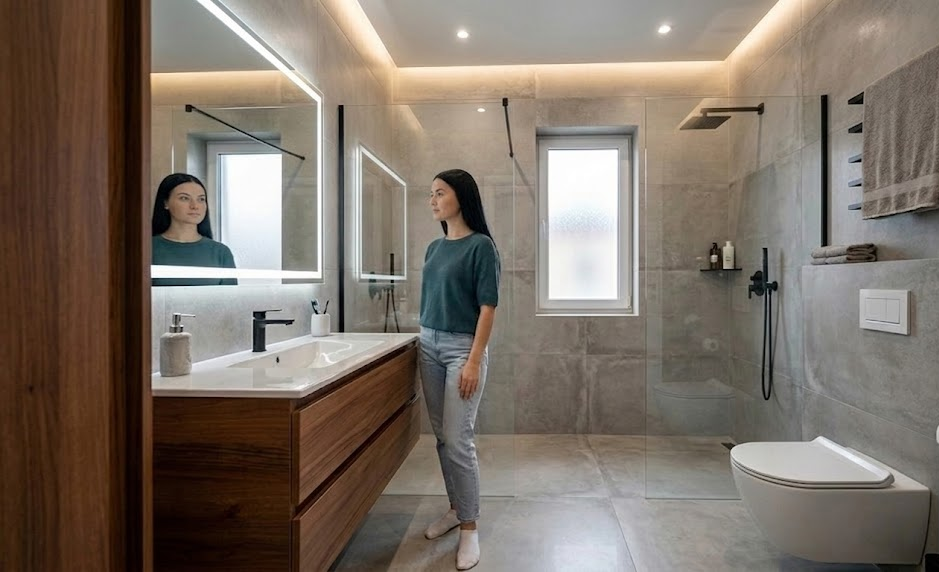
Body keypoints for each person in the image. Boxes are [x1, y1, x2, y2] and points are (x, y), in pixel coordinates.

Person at [419, 169, 499, 571]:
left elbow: (488, 308)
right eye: (430, 194)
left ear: (461, 197)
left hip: (461, 349)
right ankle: (455, 509)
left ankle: (469, 527)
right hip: (428, 344)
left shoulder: (481, 247)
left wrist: (472, 360)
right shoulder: (434, 249)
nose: (432, 200)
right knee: (441, 437)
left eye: (439, 193)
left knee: (458, 438)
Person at [150, 173, 237, 286]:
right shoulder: (148, 249)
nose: (195, 206)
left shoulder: (220, 252)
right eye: (184, 198)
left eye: (201, 199)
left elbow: (230, 300)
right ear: (166, 203)